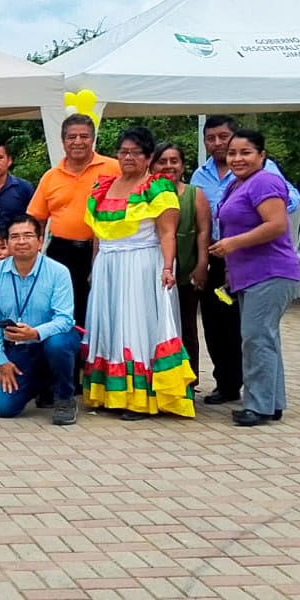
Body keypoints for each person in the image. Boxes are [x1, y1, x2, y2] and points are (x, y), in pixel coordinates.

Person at [82, 127, 195, 420]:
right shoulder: (103, 186)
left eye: (136, 152)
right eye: (123, 152)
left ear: (148, 157)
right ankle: (111, 394)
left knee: (137, 327)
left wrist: (168, 268)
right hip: (108, 266)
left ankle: (140, 398)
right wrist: (95, 267)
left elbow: (167, 233)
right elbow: (98, 235)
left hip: (142, 265)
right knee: (109, 325)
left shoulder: (157, 188)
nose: (128, 157)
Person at [191, 114, 300, 404]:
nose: (237, 158)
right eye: (232, 153)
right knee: (251, 335)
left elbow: (277, 223)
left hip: (267, 268)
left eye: (245, 152)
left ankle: (259, 404)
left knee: (256, 337)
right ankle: (268, 401)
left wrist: (234, 243)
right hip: (235, 267)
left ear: (261, 156)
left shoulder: (264, 180)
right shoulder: (232, 183)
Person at [0, 214, 80, 424]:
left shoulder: (58, 272)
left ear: (40, 241)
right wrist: (1, 361)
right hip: (20, 347)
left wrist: (35, 333)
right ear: (7, 243)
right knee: (4, 408)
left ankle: (65, 398)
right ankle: (43, 383)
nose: (21, 241)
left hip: (53, 339)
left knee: (58, 344)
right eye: (15, 237)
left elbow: (65, 319)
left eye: (28, 236)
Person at [28, 114, 120, 327]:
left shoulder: (114, 169)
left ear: (93, 139)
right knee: (64, 309)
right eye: (71, 137)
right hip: (61, 251)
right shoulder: (51, 177)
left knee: (102, 310)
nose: (78, 142)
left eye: (84, 136)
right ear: (63, 141)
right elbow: (37, 220)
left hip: (103, 250)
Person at [151, 142, 210, 373]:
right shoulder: (143, 194)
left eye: (174, 161)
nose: (168, 166)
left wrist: (202, 264)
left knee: (186, 327)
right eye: (162, 161)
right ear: (152, 165)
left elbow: (203, 231)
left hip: (185, 271)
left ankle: (189, 379)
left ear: (183, 166)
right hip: (152, 272)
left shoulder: (194, 194)